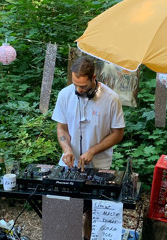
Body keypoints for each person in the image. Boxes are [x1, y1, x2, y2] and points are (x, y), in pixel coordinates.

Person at [52, 56, 125, 239]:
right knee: (64, 208)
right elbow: (61, 127)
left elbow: (118, 133)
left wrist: (92, 151)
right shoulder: (65, 95)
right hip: (69, 164)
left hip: (100, 165)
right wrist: (66, 149)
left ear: (94, 77)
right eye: (76, 84)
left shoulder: (111, 99)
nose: (78, 89)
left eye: (83, 86)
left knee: (94, 211)